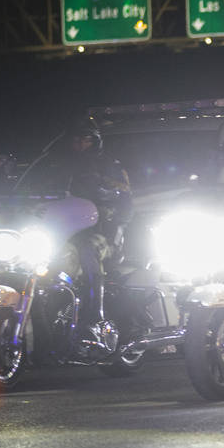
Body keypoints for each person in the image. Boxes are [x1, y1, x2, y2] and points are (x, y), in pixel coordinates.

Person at [46, 116, 132, 348]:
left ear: (95, 142)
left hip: (102, 233)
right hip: (62, 233)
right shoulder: (55, 164)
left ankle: (94, 316)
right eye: (77, 140)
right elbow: (33, 189)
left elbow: (125, 199)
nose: (81, 145)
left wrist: (103, 190)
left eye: (86, 141)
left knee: (87, 250)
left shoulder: (108, 166)